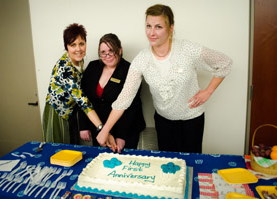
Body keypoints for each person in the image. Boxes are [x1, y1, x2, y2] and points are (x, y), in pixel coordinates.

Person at [97, 4, 232, 153]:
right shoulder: (142, 59)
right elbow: (124, 98)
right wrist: (105, 130)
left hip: (192, 120)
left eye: (158, 27)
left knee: (192, 166)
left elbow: (225, 63)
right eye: (148, 26)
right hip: (163, 122)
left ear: (171, 28)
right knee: (169, 168)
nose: (152, 33)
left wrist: (208, 91)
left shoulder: (188, 49)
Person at [79, 33, 146, 153]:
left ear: (120, 50)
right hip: (99, 126)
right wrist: (83, 126)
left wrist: (122, 136)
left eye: (111, 50)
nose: (107, 55)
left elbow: (132, 106)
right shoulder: (92, 67)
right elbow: (83, 98)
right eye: (103, 52)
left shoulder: (131, 70)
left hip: (126, 128)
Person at [42, 23, 103, 144]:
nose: (78, 49)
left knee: (73, 150)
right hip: (57, 112)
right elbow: (82, 101)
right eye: (73, 45)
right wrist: (101, 128)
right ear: (66, 47)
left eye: (81, 43)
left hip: (71, 111)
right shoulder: (65, 68)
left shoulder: (80, 60)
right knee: (58, 151)